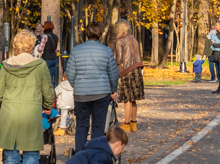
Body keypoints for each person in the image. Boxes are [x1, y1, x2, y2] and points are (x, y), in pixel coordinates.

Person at [0, 29, 55, 164]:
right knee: (32, 154)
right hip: (30, 112)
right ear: (31, 46)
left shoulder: (6, 65)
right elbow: (47, 89)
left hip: (10, 113)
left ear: (15, 46)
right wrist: (48, 106)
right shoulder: (40, 65)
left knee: (11, 155)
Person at [65, 20, 119, 152]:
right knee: (98, 125)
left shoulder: (76, 51)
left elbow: (70, 73)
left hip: (81, 94)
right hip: (101, 93)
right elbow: (113, 74)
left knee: (82, 125)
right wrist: (113, 90)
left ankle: (80, 154)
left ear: (86, 34)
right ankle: (95, 153)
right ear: (100, 35)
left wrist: (77, 85)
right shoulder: (106, 51)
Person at [112, 20, 144, 131]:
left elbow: (119, 59)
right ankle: (133, 123)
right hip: (137, 70)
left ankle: (126, 123)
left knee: (127, 99)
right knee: (134, 98)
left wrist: (112, 61)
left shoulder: (120, 41)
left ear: (118, 29)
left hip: (127, 71)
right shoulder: (134, 39)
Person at [40, 20, 60, 87]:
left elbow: (40, 49)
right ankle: (52, 93)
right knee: (51, 78)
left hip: (46, 59)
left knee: (44, 78)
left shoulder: (45, 36)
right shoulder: (56, 36)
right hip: (54, 59)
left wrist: (36, 48)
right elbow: (55, 50)